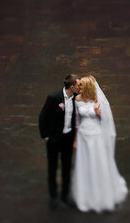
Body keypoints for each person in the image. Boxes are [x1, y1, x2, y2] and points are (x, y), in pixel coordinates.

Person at [71, 75, 128, 212]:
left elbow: (107, 121)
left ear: (88, 87)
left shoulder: (98, 101)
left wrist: (98, 113)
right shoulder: (77, 100)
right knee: (85, 163)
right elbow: (77, 121)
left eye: (81, 85)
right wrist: (75, 139)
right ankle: (85, 194)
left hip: (96, 136)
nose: (79, 87)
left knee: (99, 162)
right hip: (83, 135)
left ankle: (102, 194)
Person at [38, 74, 80, 209]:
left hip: (68, 138)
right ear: (71, 87)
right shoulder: (54, 98)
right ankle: (53, 196)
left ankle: (65, 195)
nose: (80, 87)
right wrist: (45, 136)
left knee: (67, 167)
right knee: (52, 166)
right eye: (78, 85)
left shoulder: (77, 99)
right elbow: (43, 117)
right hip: (54, 139)